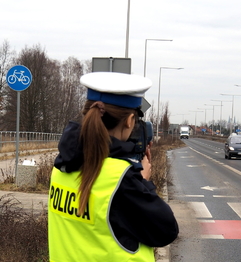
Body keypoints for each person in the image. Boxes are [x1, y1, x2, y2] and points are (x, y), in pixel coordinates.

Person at [48, 72, 179, 262]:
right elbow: (166, 231)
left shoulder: (61, 166)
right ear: (129, 121)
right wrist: (143, 183)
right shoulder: (121, 180)